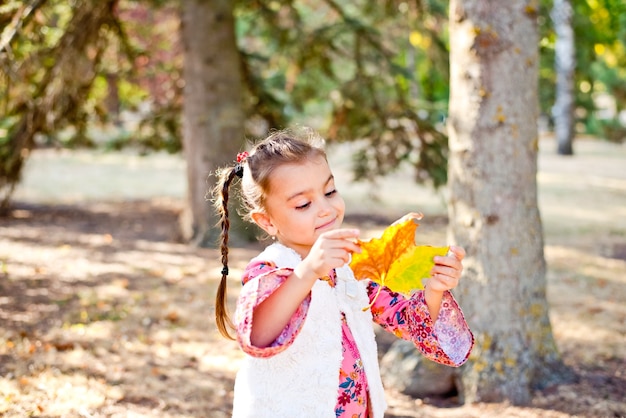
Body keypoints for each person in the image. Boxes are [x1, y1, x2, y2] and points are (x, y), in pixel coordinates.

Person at [213, 129, 474, 418]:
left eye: (330, 191)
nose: (326, 209)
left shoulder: (352, 268)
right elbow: (257, 337)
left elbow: (409, 321)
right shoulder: (271, 269)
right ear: (267, 221)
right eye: (303, 204)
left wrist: (434, 289)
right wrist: (309, 270)